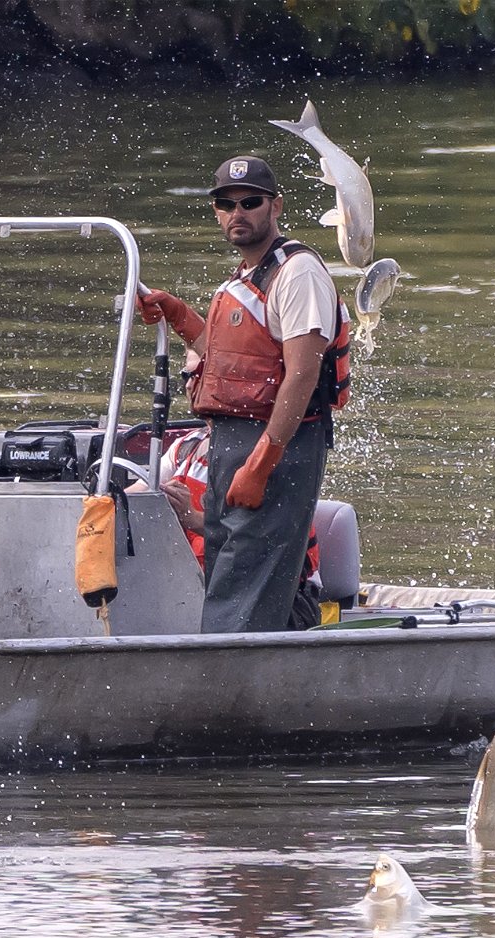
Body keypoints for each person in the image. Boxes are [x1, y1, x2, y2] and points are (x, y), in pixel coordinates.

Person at [136, 154, 348, 633]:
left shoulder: (297, 273)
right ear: (215, 211)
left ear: (275, 207)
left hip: (278, 446)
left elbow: (301, 376)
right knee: (227, 570)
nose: (238, 212)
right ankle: (222, 678)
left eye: (250, 202)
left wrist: (262, 463)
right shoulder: (242, 278)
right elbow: (227, 358)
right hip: (232, 443)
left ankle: (227, 688)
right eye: (226, 204)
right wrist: (176, 313)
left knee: (245, 586)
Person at [127, 351, 322, 630]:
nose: (191, 384)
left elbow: (266, 542)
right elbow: (136, 493)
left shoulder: (269, 452)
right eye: (187, 375)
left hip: (273, 604)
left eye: (200, 375)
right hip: (198, 593)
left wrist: (191, 517)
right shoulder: (186, 447)